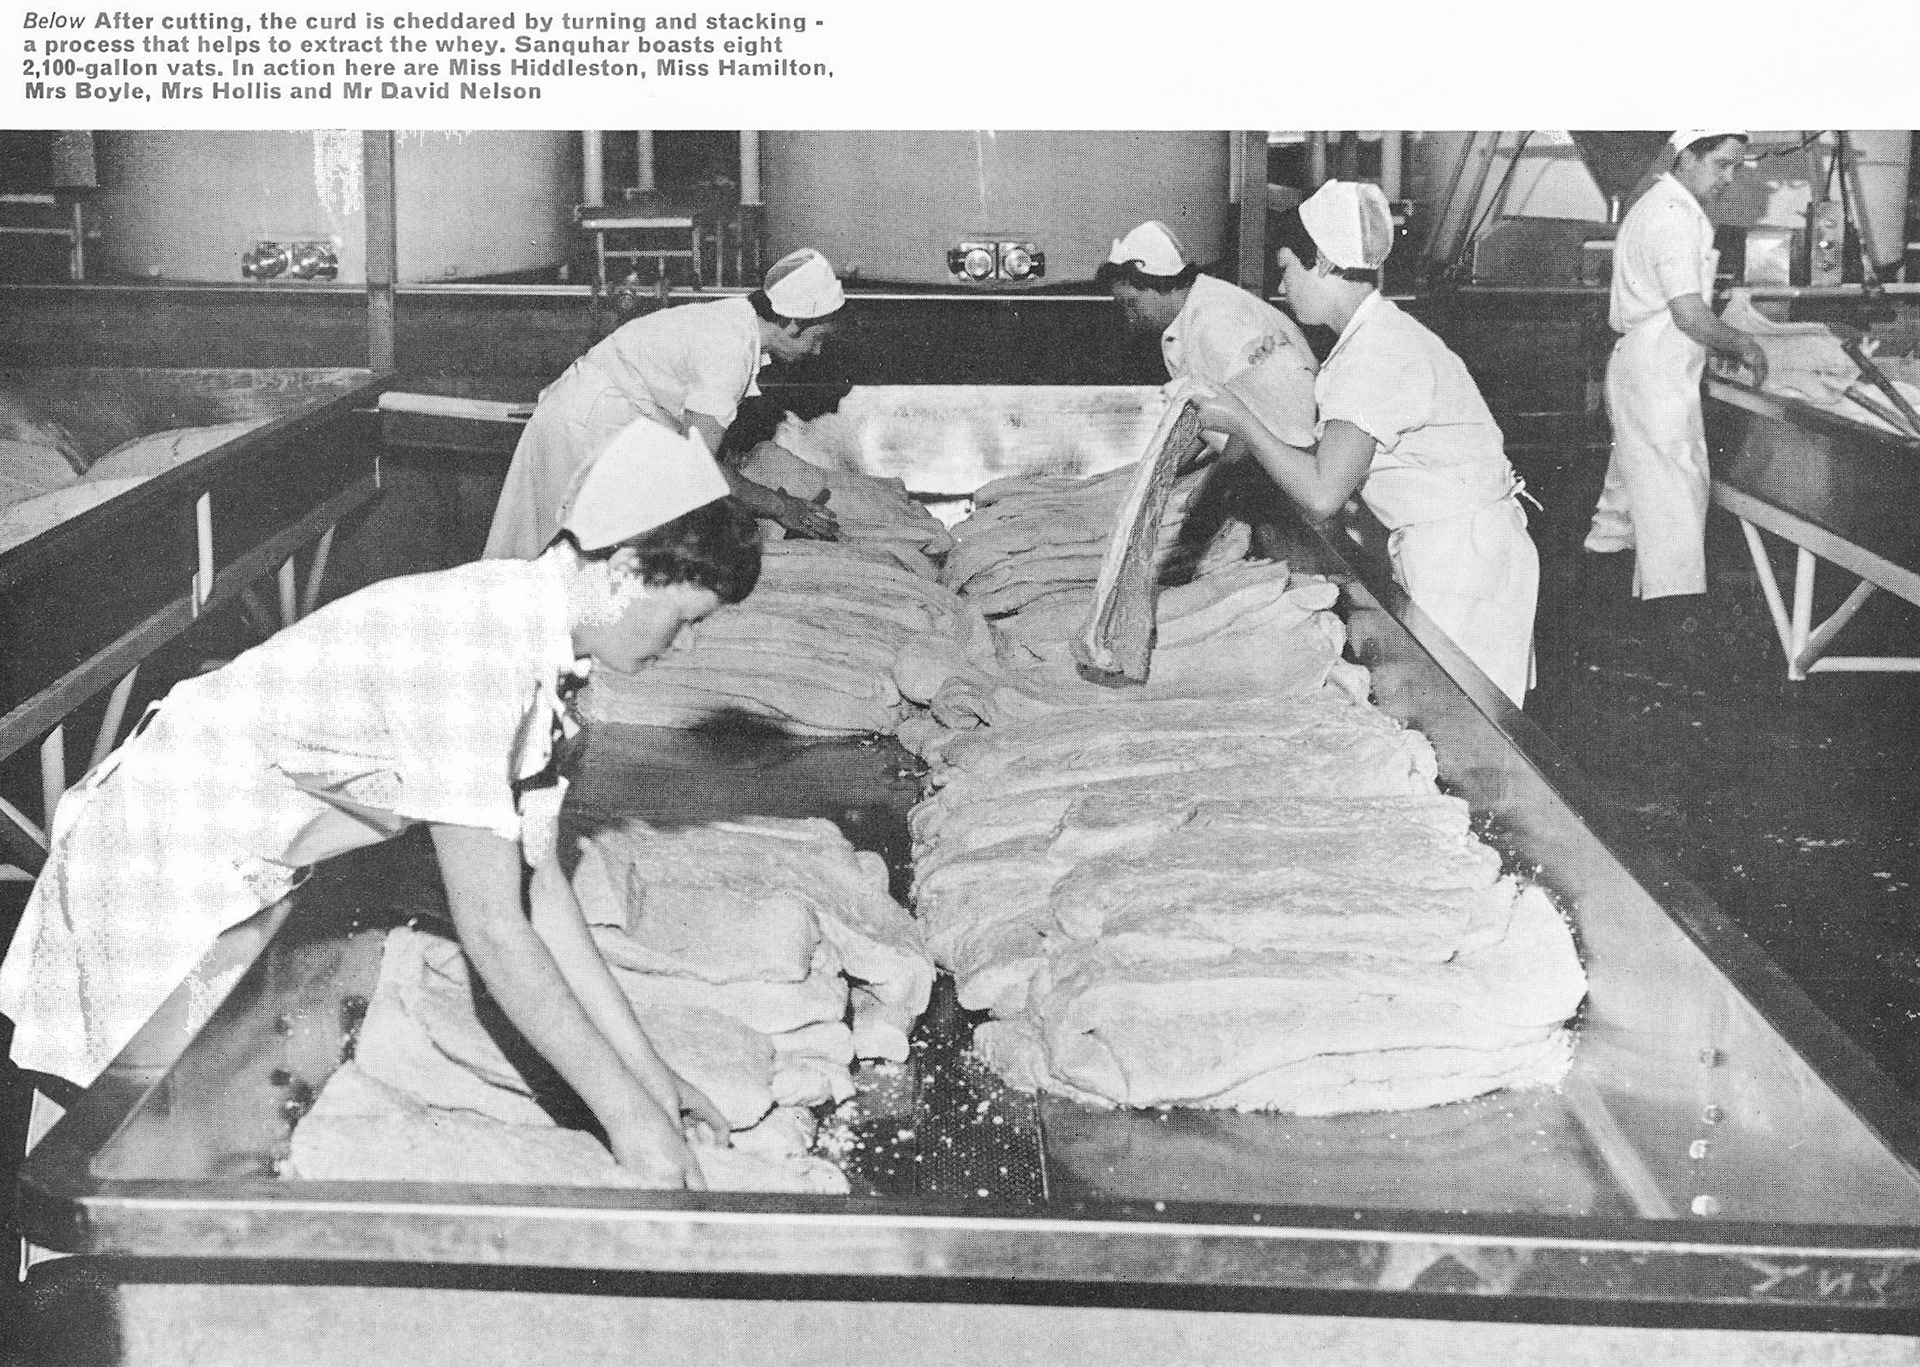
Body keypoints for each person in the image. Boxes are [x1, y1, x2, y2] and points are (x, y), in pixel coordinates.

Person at [0, 422, 762, 1189]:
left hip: (242, 847)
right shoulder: (478, 655)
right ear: (627, 568)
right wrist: (629, 1120)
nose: (687, 645)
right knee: (107, 1135)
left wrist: (650, 1078)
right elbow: (495, 929)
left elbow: (541, 888)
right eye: (687, 618)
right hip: (158, 854)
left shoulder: (545, 656)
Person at [1189, 181, 1539, 706]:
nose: (1281, 287)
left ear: (1325, 262)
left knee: (1471, 725)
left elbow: (1324, 492)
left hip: (1464, 557)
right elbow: (1332, 454)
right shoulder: (1373, 337)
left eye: (1287, 267)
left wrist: (1241, 419)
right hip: (1455, 543)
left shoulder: (1375, 353)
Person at [483, 247, 847, 560]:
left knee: (564, 551)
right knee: (548, 553)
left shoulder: (737, 324)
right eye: (817, 339)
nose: (817, 352)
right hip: (586, 424)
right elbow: (698, 468)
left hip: (602, 414)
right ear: (793, 323)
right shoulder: (730, 350)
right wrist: (782, 507)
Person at [1584, 131, 1768, 629]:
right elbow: (1688, 314)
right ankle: (1676, 641)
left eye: (1736, 167)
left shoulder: (1669, 207)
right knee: (1675, 505)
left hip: (1653, 365)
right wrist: (1742, 343)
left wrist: (1713, 348)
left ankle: (1595, 626)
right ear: (1688, 156)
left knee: (1623, 505)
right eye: (1723, 165)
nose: (1729, 178)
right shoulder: (1670, 216)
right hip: (1655, 373)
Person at [1097, 219, 1320, 457]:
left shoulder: (1216, 323)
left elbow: (1254, 431)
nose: (1131, 317)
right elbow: (1211, 424)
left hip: (1299, 454)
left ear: (1159, 285)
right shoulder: (1195, 312)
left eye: (1132, 303)